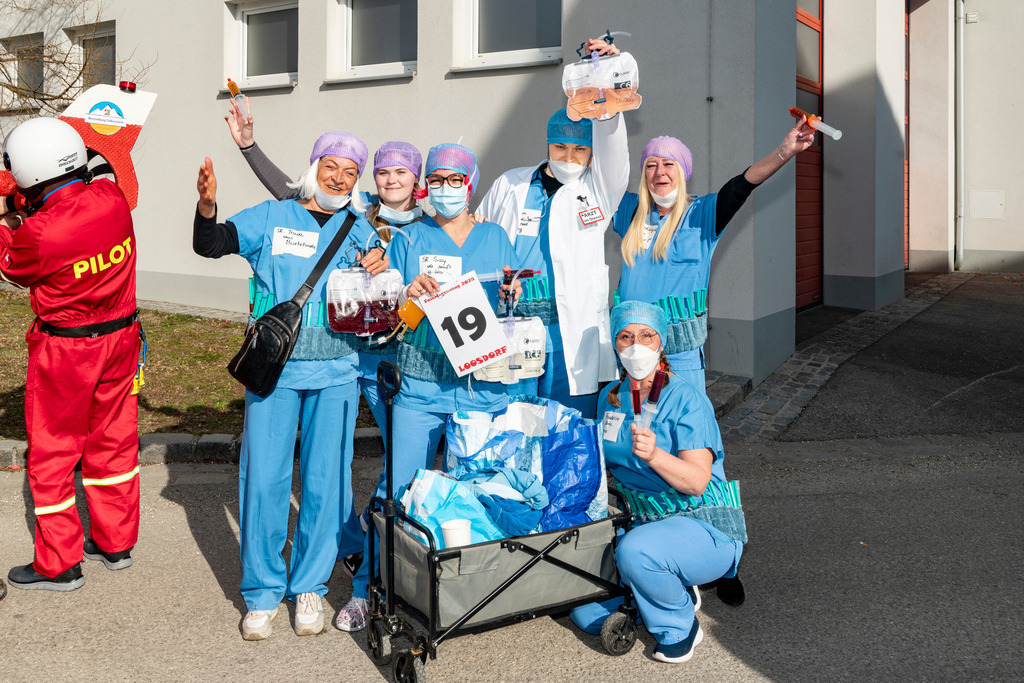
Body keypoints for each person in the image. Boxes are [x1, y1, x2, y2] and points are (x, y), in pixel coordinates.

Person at [193, 132, 385, 639]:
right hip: (274, 372)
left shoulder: (361, 230)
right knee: (265, 480)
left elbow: (381, 294)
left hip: (337, 373)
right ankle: (261, 591)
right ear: (313, 165)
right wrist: (207, 207)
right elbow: (210, 245)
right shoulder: (272, 216)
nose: (338, 178)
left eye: (350, 172)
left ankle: (309, 587)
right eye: (331, 166)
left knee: (326, 482)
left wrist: (381, 266)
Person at [222, 102, 424, 576]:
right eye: (383, 172)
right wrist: (249, 148)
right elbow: (292, 193)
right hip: (344, 358)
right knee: (323, 467)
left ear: (418, 181)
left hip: (387, 357)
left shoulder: (428, 226)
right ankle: (346, 543)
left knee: (381, 460)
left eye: (402, 172)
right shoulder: (357, 212)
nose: (391, 180)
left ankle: (374, 540)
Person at [337, 143, 520, 632]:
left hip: (481, 389)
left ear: (471, 184)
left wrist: (514, 293)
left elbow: (517, 302)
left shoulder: (496, 236)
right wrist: (409, 296)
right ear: (426, 187)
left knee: (477, 492)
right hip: (420, 386)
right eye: (436, 179)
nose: (445, 188)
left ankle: (470, 592)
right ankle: (367, 589)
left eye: (454, 180)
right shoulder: (408, 237)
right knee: (399, 492)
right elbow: (390, 317)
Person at [2, 117, 142, 591]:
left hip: (67, 349)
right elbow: (96, 168)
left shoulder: (39, 233)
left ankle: (59, 563)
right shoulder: (111, 196)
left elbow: (12, 266)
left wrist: (7, 216)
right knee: (113, 441)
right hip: (121, 338)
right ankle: (115, 542)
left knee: (54, 451)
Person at [569, 301, 744, 663]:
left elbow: (696, 482)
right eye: (625, 337)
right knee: (585, 610)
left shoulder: (685, 398)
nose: (636, 346)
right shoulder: (609, 397)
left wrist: (655, 456)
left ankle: (678, 626)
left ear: (660, 342)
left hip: (699, 520)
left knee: (635, 553)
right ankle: (668, 584)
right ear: (615, 344)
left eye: (646, 335)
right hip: (641, 520)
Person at [476, 36, 631, 418]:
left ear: (591, 152)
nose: (569, 157)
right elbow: (481, 237)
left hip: (568, 331)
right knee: (515, 421)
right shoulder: (510, 184)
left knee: (569, 424)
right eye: (560, 147)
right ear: (547, 145)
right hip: (513, 323)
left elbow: (614, 149)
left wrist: (608, 88)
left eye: (580, 149)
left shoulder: (599, 189)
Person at [612, 119, 816, 389]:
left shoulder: (702, 213)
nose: (660, 171)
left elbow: (743, 184)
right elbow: (601, 177)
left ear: (683, 171)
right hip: (630, 350)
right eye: (651, 165)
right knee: (632, 415)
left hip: (679, 355)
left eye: (669, 163)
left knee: (684, 414)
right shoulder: (630, 210)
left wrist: (784, 151)